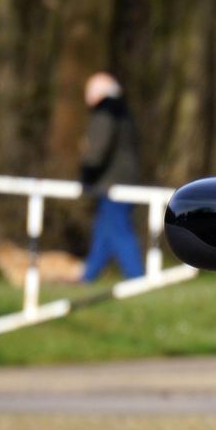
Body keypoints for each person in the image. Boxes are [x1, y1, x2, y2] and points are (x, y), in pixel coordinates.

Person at [77, 72, 145, 283]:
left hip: (113, 183)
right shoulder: (124, 112)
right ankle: (88, 277)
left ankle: (137, 279)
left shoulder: (106, 112)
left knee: (119, 230)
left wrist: (87, 173)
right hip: (123, 179)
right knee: (104, 231)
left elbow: (97, 150)